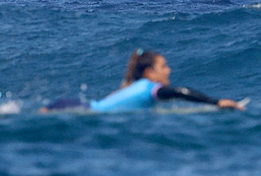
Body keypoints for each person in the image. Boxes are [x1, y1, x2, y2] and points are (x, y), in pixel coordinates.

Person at [42, 49, 246, 113]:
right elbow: (180, 92)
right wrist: (216, 102)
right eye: (164, 66)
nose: (169, 70)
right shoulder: (150, 89)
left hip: (70, 105)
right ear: (149, 72)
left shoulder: (136, 86)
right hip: (79, 110)